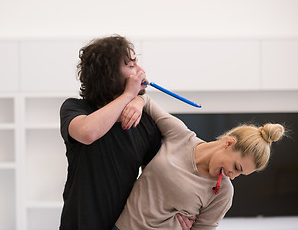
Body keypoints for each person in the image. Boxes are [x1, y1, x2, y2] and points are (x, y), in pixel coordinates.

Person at [115, 94, 285, 230]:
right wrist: (137, 102)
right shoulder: (180, 136)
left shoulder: (224, 192)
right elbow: (147, 101)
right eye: (236, 167)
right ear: (229, 143)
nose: (233, 176)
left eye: (241, 174)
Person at [59, 35, 164, 229]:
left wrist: (181, 212)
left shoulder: (146, 122)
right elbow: (88, 133)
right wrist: (128, 96)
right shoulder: (75, 108)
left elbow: (161, 178)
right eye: (131, 66)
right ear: (108, 74)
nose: (141, 72)